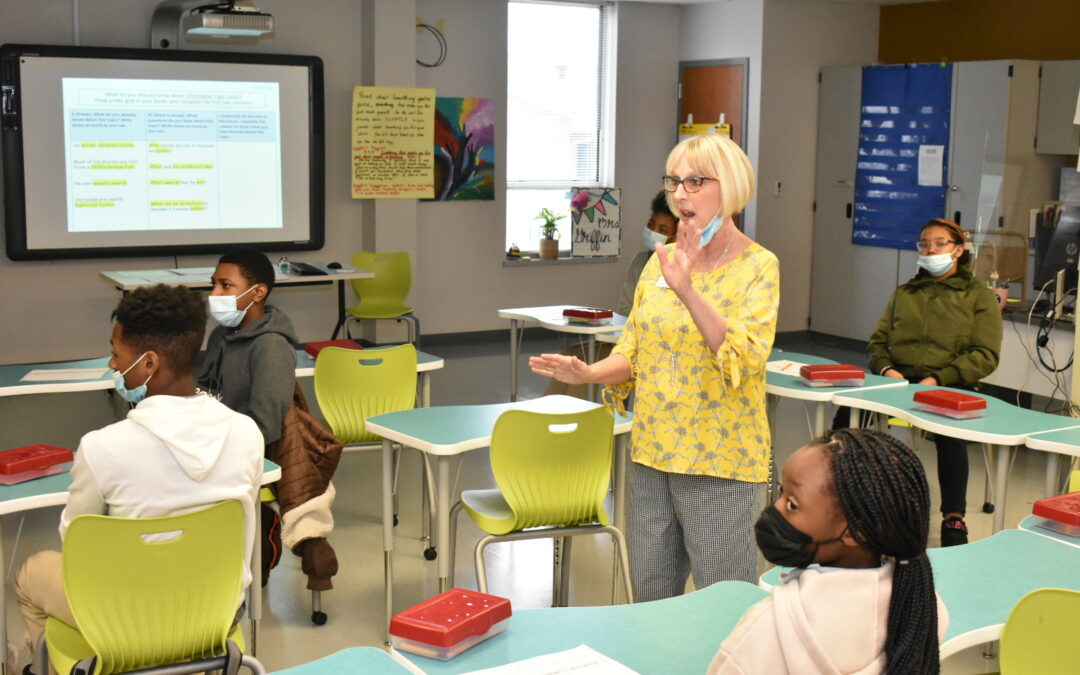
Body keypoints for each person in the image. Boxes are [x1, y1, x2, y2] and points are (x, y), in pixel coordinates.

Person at [531, 134, 779, 600]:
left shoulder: (760, 267)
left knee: (723, 600)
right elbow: (634, 354)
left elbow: (743, 359)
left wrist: (688, 290)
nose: (680, 193)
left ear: (731, 187)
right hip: (650, 453)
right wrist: (589, 374)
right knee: (649, 593)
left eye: (695, 181)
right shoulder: (657, 266)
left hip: (719, 463)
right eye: (674, 182)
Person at [12, 284, 263, 669]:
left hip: (125, 619)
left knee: (31, 572)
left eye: (116, 354)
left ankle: (35, 665)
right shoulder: (246, 432)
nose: (112, 365)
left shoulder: (102, 447)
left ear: (149, 363)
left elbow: (77, 545)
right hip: (214, 614)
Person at [709, 429, 947, 674]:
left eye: (792, 504)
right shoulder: (923, 609)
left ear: (855, 533)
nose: (775, 508)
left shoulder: (767, 628)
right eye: (781, 491)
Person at [197, 248, 339, 590]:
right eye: (213, 285)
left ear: (258, 292)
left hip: (252, 451)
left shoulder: (271, 346)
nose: (214, 295)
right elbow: (205, 392)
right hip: (217, 441)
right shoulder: (220, 337)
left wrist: (214, 442)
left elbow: (264, 427)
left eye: (225, 286)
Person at [865, 218, 1002, 546]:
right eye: (924, 243)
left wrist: (939, 378)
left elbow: (985, 354)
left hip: (949, 381)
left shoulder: (978, 296)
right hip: (897, 380)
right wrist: (885, 369)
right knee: (849, 415)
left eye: (939, 243)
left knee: (950, 436)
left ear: (957, 250)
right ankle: (855, 503)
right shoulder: (905, 292)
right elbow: (877, 341)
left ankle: (954, 519)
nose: (930, 249)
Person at [545, 191, 678, 399]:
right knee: (570, 357)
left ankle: (580, 424)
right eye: (651, 225)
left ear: (677, 237)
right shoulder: (639, 261)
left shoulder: (681, 269)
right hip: (627, 339)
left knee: (587, 365)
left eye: (662, 230)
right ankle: (549, 420)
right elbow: (625, 311)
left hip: (653, 349)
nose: (653, 232)